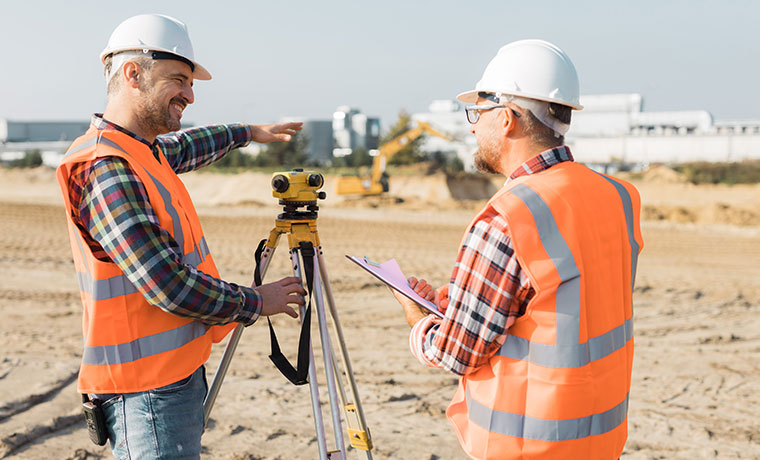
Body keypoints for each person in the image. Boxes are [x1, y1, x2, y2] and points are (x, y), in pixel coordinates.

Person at [56, 14, 307, 459]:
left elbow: (188, 146)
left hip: (171, 378)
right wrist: (255, 302)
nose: (190, 96)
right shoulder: (107, 167)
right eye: (179, 80)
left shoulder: (140, 150)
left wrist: (249, 133)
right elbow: (166, 284)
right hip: (145, 393)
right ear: (133, 74)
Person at [392, 39, 644, 460]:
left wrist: (417, 318)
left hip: (528, 445)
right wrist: (459, 305)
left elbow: (458, 352)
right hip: (598, 439)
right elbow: (563, 304)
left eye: (478, 113)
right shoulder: (617, 196)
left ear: (507, 119)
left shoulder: (507, 216)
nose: (473, 127)